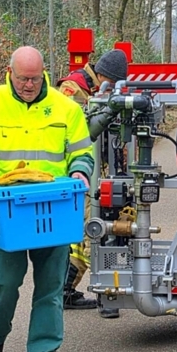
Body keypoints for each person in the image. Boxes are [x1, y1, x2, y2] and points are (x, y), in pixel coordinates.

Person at [0, 46, 94, 352]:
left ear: (44, 73)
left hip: (55, 206)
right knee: (6, 283)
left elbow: (82, 151)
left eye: (34, 78)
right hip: (9, 211)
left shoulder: (66, 108)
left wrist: (80, 171)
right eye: (22, 79)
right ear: (9, 72)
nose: (29, 85)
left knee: (50, 287)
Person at [57, 48, 128, 318]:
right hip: (79, 173)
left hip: (94, 171)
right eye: (110, 82)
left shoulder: (92, 88)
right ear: (101, 75)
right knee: (95, 231)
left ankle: (66, 290)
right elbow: (79, 134)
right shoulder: (72, 89)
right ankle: (105, 294)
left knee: (84, 233)